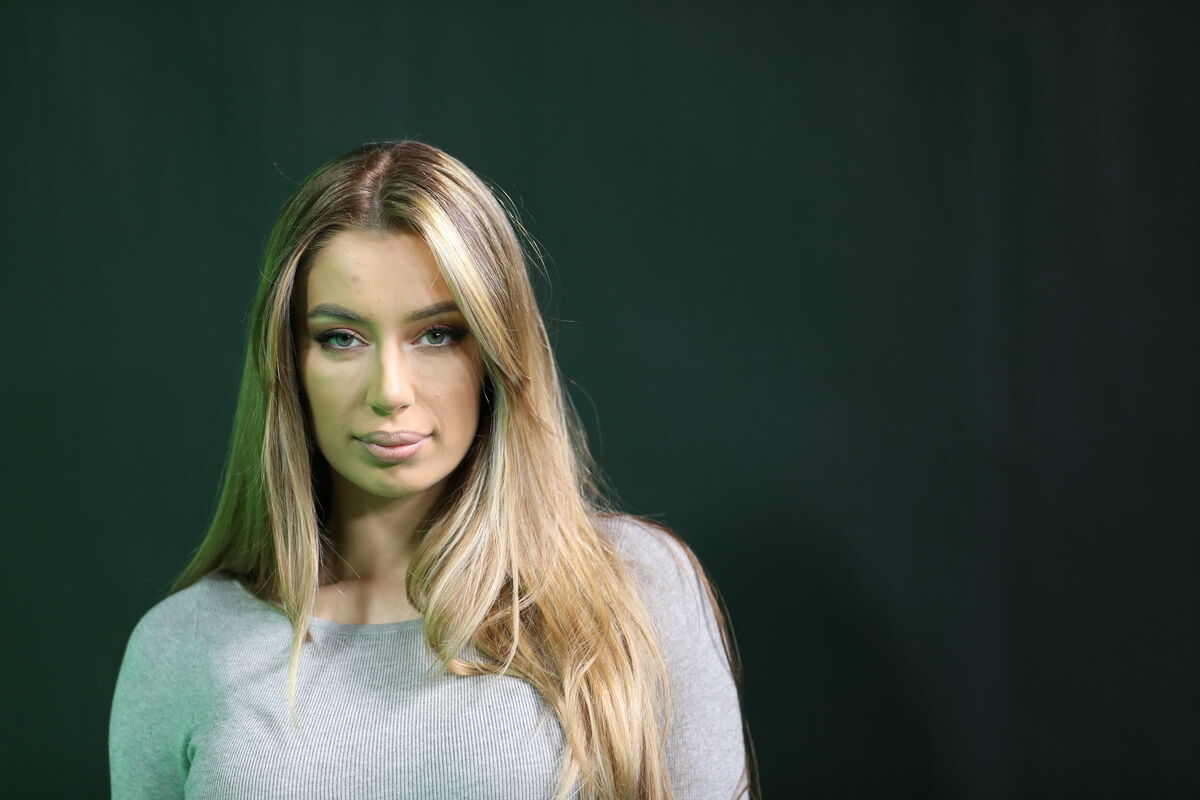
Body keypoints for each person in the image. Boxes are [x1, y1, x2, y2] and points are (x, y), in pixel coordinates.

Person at [108, 139, 757, 800]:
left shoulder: (635, 592)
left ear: (497, 354)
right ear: (289, 364)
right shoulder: (183, 646)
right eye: (341, 338)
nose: (390, 391)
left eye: (437, 334)